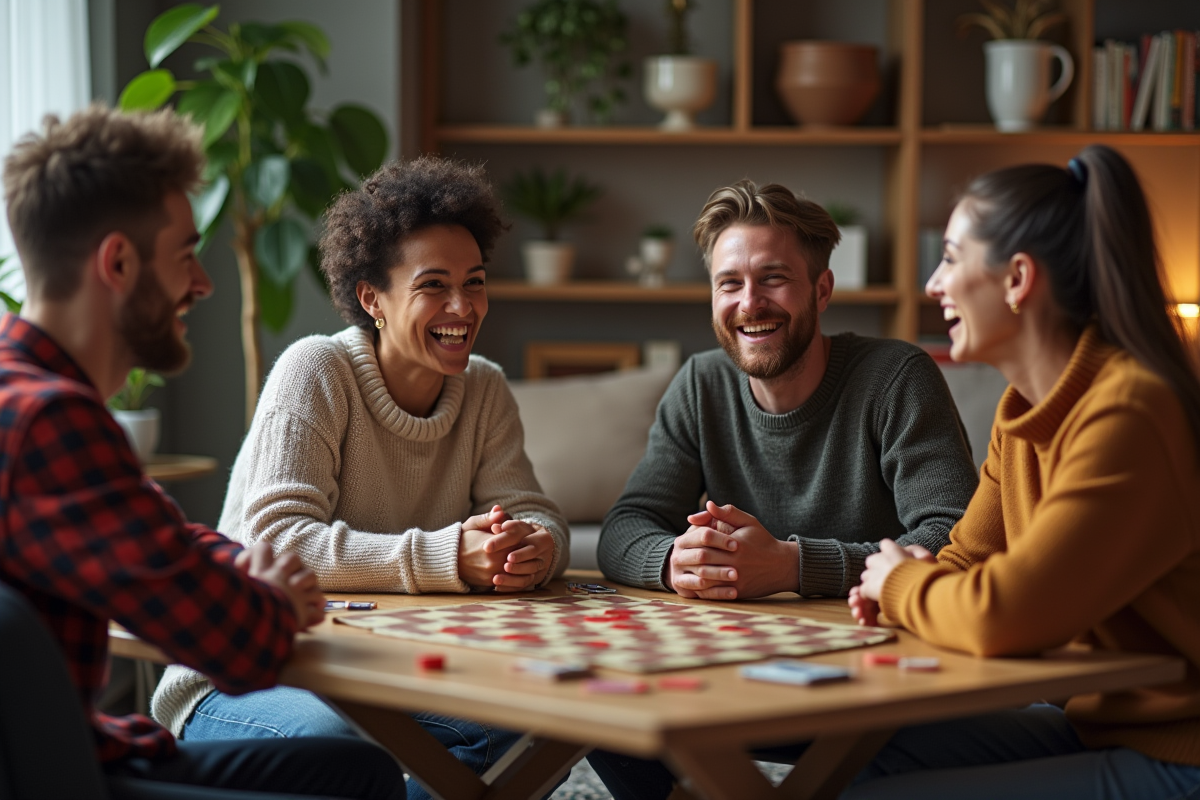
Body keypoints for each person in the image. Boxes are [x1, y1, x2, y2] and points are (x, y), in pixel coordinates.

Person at [0, 105, 404, 798]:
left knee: (355, 769)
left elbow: (157, 541)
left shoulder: (21, 391)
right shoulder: (53, 421)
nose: (203, 284)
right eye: (186, 254)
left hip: (76, 749)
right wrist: (270, 599)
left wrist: (248, 566)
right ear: (119, 263)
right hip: (55, 778)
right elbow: (238, 645)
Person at [152, 156, 570, 800]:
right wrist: (448, 556)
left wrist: (533, 547)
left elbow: (534, 511)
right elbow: (280, 540)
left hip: (390, 670)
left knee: (540, 732)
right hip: (252, 672)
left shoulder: (484, 386)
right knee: (344, 756)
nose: (463, 306)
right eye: (434, 285)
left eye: (475, 281)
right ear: (372, 298)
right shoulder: (315, 371)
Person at [588, 178, 979, 799]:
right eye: (729, 283)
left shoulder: (896, 376)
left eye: (773, 278)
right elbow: (626, 526)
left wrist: (792, 566)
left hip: (876, 677)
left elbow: (952, 539)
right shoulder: (700, 384)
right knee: (600, 712)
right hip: (737, 671)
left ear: (821, 290)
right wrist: (674, 562)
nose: (750, 303)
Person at [843, 145, 1200, 799]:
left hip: (1183, 752)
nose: (932, 284)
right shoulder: (1023, 414)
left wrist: (902, 585)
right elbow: (965, 563)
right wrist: (906, 582)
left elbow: (1003, 614)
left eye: (950, 258)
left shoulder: (1129, 411)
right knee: (855, 750)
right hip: (1099, 725)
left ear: (1016, 280)